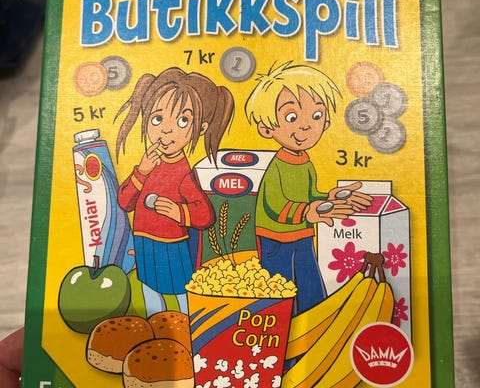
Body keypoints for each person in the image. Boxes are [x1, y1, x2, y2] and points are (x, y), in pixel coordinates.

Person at [245, 60, 372, 314]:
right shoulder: (277, 166)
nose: (305, 125)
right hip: (275, 238)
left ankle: (315, 324)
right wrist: (307, 211)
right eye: (291, 117)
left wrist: (329, 197)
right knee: (280, 291)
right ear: (266, 128)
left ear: (326, 123)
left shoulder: (305, 162)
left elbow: (311, 195)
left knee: (310, 287)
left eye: (316, 116)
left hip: (302, 234)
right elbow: (274, 205)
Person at [115, 67, 234, 316]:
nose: (166, 130)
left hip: (172, 245)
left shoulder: (182, 173)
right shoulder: (147, 165)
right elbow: (125, 201)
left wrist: (178, 212)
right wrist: (141, 172)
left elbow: (205, 215)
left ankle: (188, 326)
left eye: (182, 121)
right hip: (144, 240)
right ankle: (156, 325)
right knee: (149, 289)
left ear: (201, 128)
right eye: (157, 119)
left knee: (180, 291)